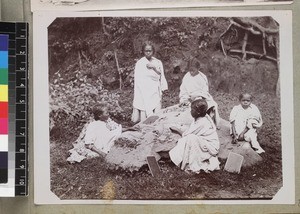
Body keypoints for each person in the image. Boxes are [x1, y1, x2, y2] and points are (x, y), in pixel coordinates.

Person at [169, 99, 220, 173]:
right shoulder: (201, 117)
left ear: (198, 112)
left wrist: (177, 130)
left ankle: (185, 162)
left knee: (190, 139)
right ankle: (176, 159)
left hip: (211, 147)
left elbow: (187, 135)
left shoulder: (202, 122)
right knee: (190, 138)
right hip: (205, 142)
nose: (190, 111)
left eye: (192, 110)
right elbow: (192, 130)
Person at [132, 41, 168, 124]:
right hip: (144, 89)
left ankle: (156, 125)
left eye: (150, 51)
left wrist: (154, 68)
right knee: (144, 108)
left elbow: (161, 75)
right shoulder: (140, 63)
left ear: (153, 51)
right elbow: (138, 79)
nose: (148, 53)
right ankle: (144, 126)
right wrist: (141, 90)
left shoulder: (157, 62)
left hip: (154, 88)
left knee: (156, 107)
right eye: (146, 51)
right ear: (143, 51)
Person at [179, 58, 220, 127]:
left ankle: (211, 123)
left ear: (198, 68)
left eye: (193, 70)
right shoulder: (186, 77)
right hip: (188, 97)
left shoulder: (202, 77)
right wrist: (187, 98)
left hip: (200, 97)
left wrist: (197, 96)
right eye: (190, 70)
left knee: (213, 104)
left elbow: (205, 91)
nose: (191, 72)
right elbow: (183, 90)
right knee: (188, 105)